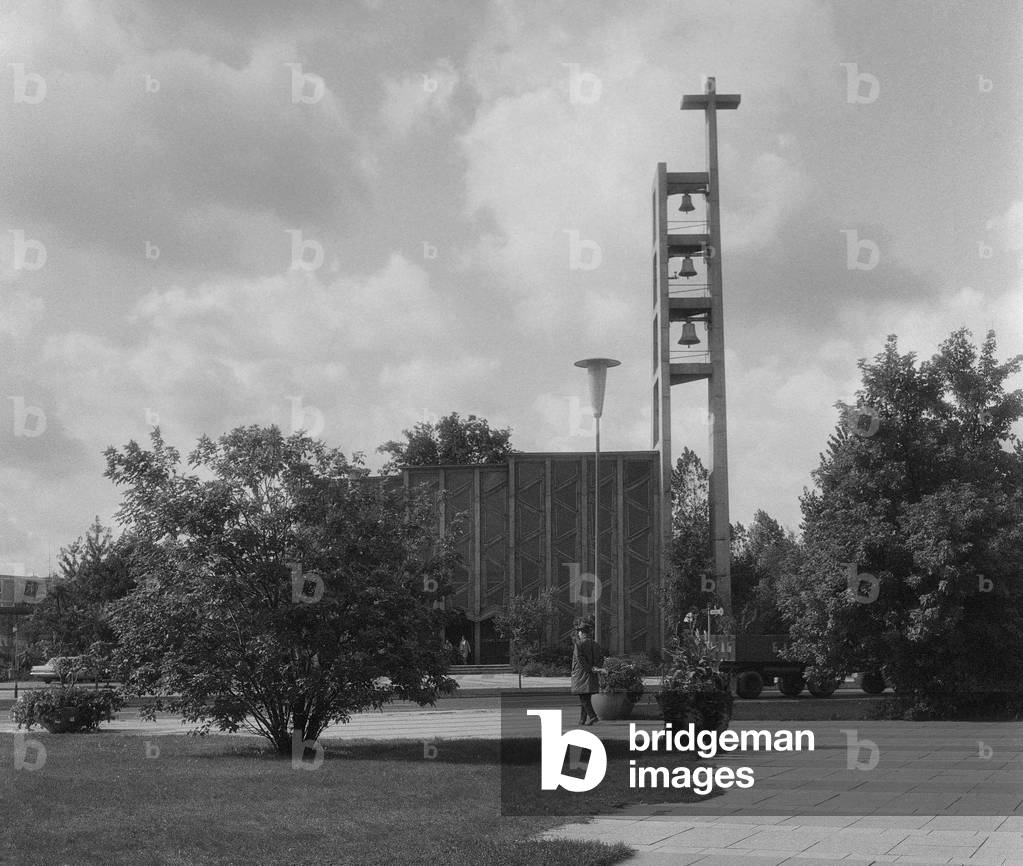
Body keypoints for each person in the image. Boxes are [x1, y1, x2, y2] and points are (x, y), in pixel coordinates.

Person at [571, 622, 605, 725]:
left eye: (579, 632)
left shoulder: (579, 644)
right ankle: (582, 720)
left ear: (582, 632)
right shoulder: (595, 644)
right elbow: (601, 658)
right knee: (585, 698)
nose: (578, 634)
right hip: (591, 674)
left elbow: (580, 659)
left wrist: (589, 668)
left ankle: (593, 716)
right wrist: (595, 668)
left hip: (581, 675)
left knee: (583, 698)